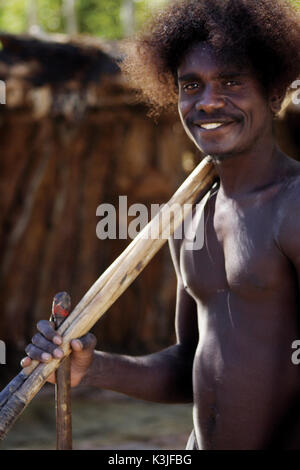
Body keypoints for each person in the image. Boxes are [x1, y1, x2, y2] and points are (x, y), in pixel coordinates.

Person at [21, 0, 300, 449]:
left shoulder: (295, 206)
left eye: (231, 81)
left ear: (273, 93)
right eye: (192, 85)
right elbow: (188, 367)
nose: (209, 100)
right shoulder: (190, 217)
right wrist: (90, 367)